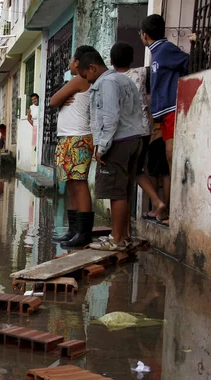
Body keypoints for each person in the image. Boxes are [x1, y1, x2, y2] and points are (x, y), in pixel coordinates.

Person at [78, 50, 143, 251]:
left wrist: (102, 147)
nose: (87, 82)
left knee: (116, 192)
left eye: (86, 76)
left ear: (92, 68)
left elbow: (111, 117)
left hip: (118, 141)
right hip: (134, 138)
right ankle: (123, 236)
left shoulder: (106, 83)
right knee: (124, 190)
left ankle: (116, 239)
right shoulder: (125, 80)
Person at [109, 42, 168, 223]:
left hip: (126, 133)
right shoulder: (142, 73)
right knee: (136, 169)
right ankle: (156, 203)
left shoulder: (111, 80)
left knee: (127, 174)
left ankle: (153, 205)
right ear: (132, 59)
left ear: (111, 61)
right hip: (145, 129)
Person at [140, 14, 189, 224]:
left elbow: (187, 62)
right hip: (163, 114)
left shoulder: (165, 49)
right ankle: (164, 211)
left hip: (171, 111)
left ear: (144, 35)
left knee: (171, 159)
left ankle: (170, 212)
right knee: (165, 163)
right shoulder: (157, 51)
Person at [49, 45, 97, 247]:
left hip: (78, 137)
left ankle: (83, 233)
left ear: (77, 62)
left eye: (71, 60)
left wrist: (63, 96)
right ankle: (73, 230)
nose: (69, 63)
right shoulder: (76, 81)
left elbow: (53, 100)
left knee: (79, 183)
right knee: (70, 184)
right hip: (68, 138)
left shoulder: (79, 80)